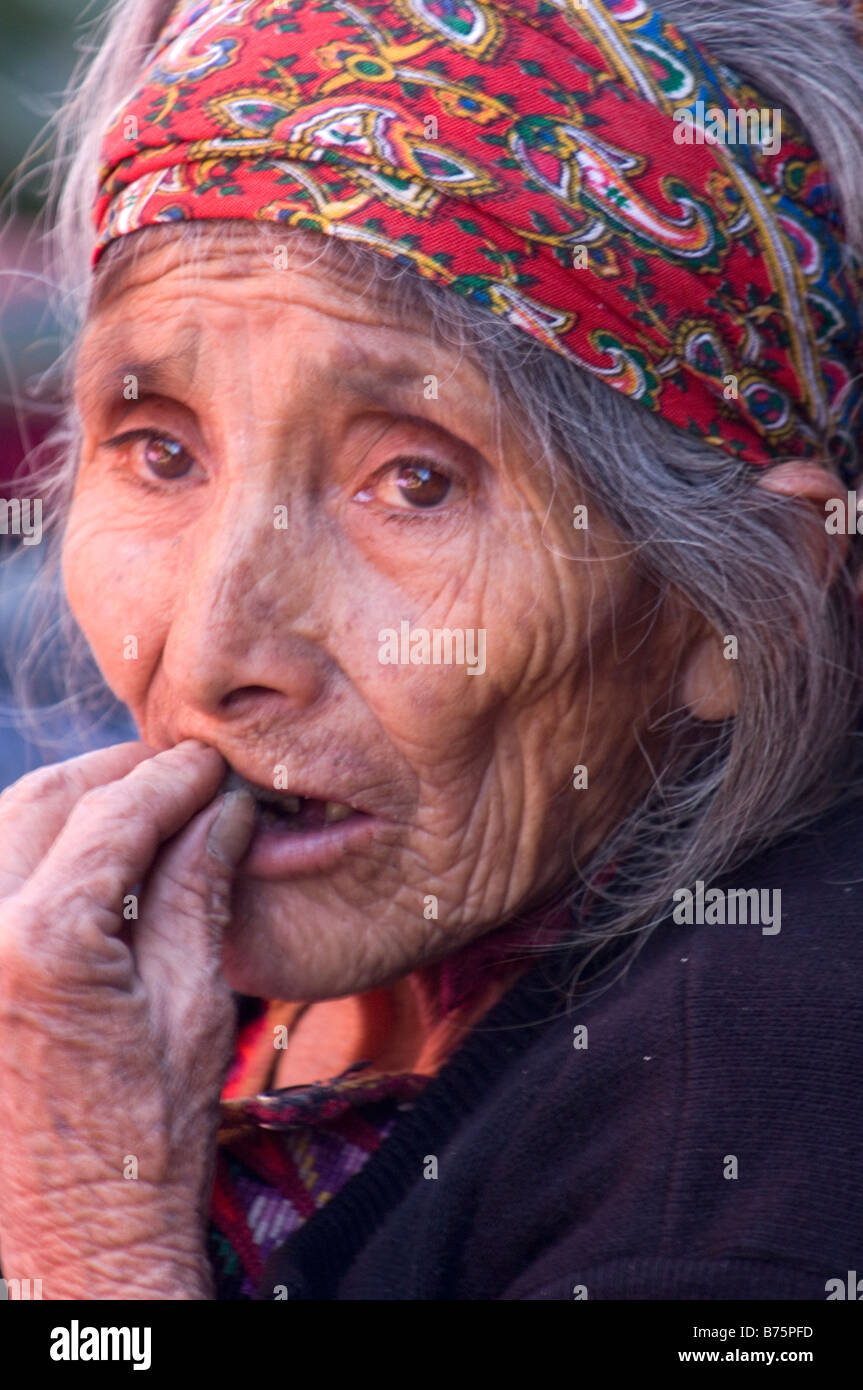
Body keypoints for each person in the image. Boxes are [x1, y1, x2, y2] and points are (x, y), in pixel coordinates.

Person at [0, 0, 862, 1300]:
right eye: (161, 449)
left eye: (415, 482)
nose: (214, 644)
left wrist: (84, 1247)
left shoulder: (741, 1145)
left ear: (744, 609)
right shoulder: (179, 960)